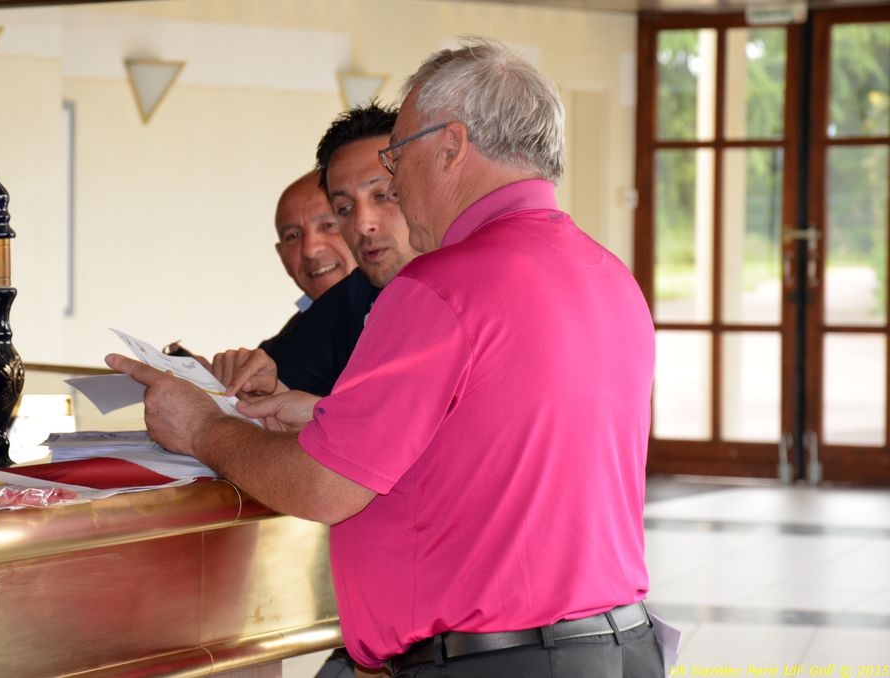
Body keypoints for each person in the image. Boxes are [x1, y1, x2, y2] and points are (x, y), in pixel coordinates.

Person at [108, 37, 664, 677]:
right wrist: (324, 417)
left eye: (397, 155)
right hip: (620, 647)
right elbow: (506, 446)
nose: (396, 181)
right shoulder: (608, 275)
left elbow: (323, 489)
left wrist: (203, 428)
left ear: (451, 145)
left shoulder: (441, 285)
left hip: (499, 661)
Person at [217, 104, 417, 397]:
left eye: (383, 195)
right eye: (344, 209)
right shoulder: (348, 299)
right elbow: (273, 387)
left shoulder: (470, 291)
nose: (362, 224)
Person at [259, 171, 357, 352]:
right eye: (293, 236)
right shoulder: (275, 356)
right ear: (281, 255)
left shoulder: (404, 314)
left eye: (328, 225)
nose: (310, 250)